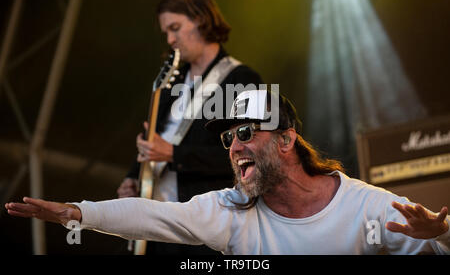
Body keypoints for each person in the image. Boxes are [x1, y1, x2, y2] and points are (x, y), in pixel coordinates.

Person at [5, 89, 450, 254]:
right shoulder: (230, 210)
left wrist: (440, 234)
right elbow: (156, 217)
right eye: (228, 138)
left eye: (245, 132)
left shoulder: (365, 206)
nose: (234, 146)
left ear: (286, 139)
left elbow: (437, 241)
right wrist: (76, 212)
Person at [116, 0, 263, 254]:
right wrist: (133, 179)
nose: (170, 39)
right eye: (166, 33)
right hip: (154, 224)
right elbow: (155, 141)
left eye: (175, 27)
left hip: (199, 228)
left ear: (201, 19)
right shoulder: (171, 81)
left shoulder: (242, 79)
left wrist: (173, 154)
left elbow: (250, 156)